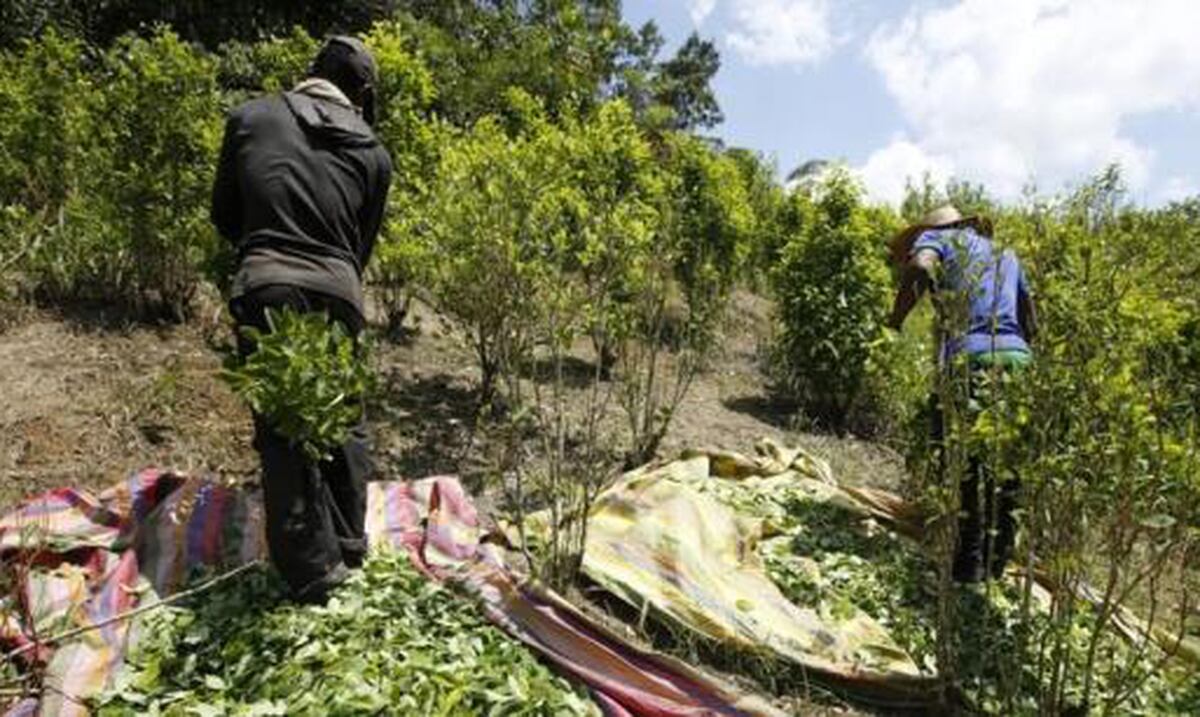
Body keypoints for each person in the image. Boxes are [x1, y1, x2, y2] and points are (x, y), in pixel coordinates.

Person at [211, 36, 392, 603]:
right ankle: (347, 542)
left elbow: (225, 213)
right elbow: (358, 246)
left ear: (312, 72)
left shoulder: (251, 117)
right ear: (360, 94)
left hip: (266, 279)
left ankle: (313, 574)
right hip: (339, 289)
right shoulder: (374, 154)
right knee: (344, 418)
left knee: (284, 427)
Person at [888, 205, 1037, 583]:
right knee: (1008, 469)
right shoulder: (1005, 253)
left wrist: (896, 319)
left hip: (969, 358)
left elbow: (920, 266)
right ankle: (996, 566)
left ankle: (964, 571)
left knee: (960, 461)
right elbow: (1030, 316)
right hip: (1018, 358)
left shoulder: (937, 239)